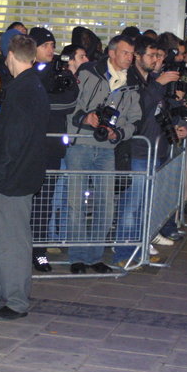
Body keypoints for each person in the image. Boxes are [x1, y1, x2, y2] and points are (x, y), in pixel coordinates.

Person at [0, 34, 49, 320]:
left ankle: (16, 301)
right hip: (21, 175)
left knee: (12, 242)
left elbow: (10, 142)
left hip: (13, 178)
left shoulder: (21, 91)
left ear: (10, 56)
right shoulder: (32, 87)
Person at [65, 34, 141, 273]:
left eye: (132, 54)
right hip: (81, 143)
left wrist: (117, 133)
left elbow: (135, 120)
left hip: (108, 149)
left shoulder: (133, 83)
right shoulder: (88, 72)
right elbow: (69, 105)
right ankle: (77, 257)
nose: (129, 58)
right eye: (125, 53)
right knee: (75, 203)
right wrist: (85, 117)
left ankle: (95, 256)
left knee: (105, 205)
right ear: (112, 52)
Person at [113, 36, 187, 266]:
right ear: (138, 56)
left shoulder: (153, 80)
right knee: (131, 204)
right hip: (137, 151)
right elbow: (139, 109)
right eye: (152, 55)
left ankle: (139, 245)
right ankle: (124, 251)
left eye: (159, 56)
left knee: (145, 205)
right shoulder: (132, 79)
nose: (157, 60)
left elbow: (158, 112)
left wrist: (174, 129)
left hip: (155, 148)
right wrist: (158, 84)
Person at [28, 27, 80, 273]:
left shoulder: (59, 72)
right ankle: (21, 248)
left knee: (45, 203)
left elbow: (70, 101)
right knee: (24, 201)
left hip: (52, 148)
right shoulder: (26, 72)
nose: (52, 50)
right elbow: (30, 103)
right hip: (29, 147)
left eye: (52, 45)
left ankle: (38, 250)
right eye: (47, 45)